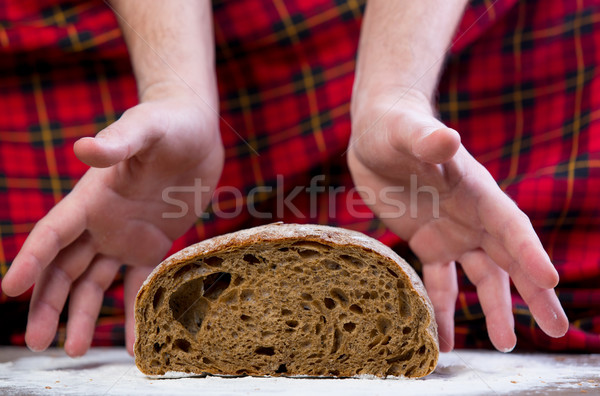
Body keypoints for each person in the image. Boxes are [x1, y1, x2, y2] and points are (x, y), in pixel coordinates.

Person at [1, 0, 597, 357]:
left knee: (519, 290)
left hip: (435, 44)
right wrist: (170, 84)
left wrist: (398, 89)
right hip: (105, 50)